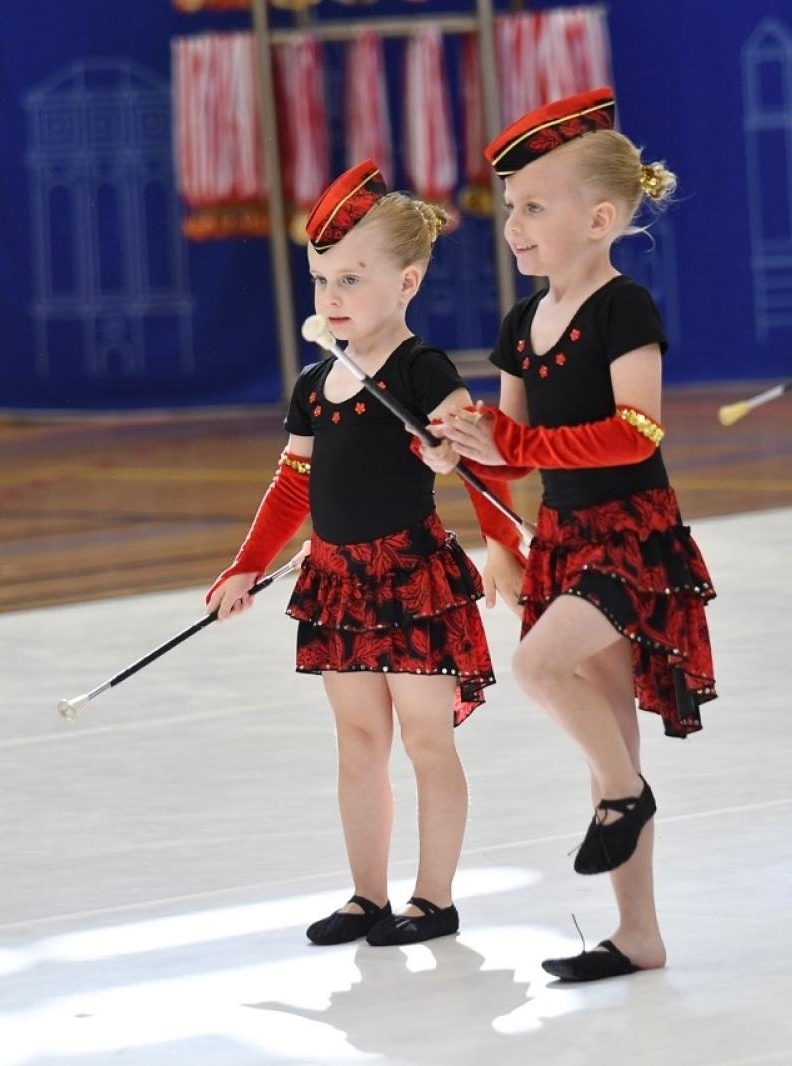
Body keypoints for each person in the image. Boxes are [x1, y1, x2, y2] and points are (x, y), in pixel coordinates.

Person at [427, 87, 717, 982]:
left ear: (598, 218)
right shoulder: (522, 325)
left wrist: (515, 441)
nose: (513, 225)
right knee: (611, 739)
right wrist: (459, 449)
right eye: (509, 208)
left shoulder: (624, 310)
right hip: (564, 539)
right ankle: (639, 935)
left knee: (540, 670)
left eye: (533, 207)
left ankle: (626, 799)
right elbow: (511, 463)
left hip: (633, 538)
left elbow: (639, 430)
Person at [207, 160, 523, 947]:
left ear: (408, 282)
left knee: (425, 737)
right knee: (357, 743)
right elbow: (292, 485)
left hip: (412, 578)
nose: (332, 298)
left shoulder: (422, 369)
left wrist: (499, 539)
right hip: (337, 584)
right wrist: (247, 562)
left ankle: (434, 897)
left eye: (352, 278)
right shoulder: (315, 383)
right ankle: (366, 895)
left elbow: (480, 458)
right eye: (321, 281)